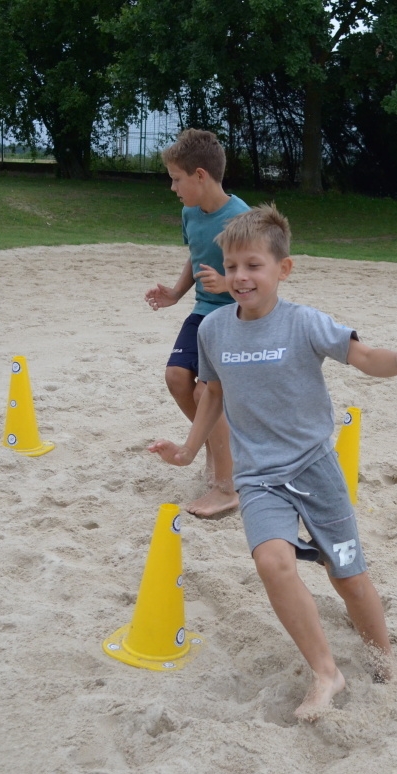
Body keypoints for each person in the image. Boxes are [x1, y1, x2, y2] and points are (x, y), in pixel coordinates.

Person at [149, 204, 397, 721]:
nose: (240, 276)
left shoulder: (304, 323)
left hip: (315, 469)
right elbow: (211, 394)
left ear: (283, 269)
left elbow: (364, 357)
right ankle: (326, 671)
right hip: (258, 478)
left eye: (253, 265)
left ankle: (385, 660)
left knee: (348, 576)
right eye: (231, 266)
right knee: (271, 561)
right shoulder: (212, 329)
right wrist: (188, 450)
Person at [144, 129, 249, 517]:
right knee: (176, 378)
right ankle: (218, 446)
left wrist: (228, 283)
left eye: (176, 179)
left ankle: (228, 485)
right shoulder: (190, 213)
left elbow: (261, 276)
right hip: (204, 312)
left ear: (200, 176)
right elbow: (196, 254)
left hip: (238, 316)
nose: (172, 187)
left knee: (208, 392)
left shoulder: (242, 218)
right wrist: (175, 293)